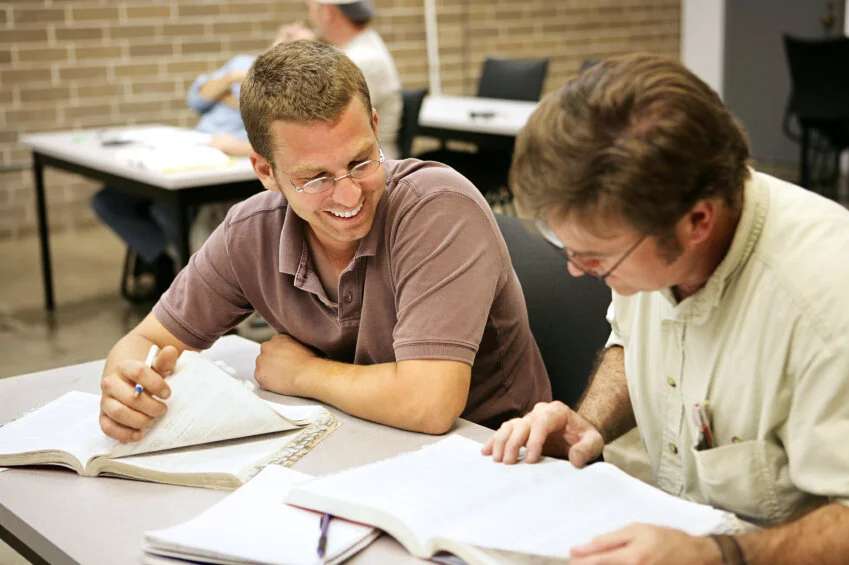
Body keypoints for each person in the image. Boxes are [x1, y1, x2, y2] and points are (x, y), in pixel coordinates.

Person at [483, 53, 849, 564]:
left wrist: (718, 555)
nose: (574, 270)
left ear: (697, 220)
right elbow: (631, 344)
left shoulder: (827, 308)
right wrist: (589, 425)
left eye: (597, 256)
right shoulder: (649, 235)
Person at [97, 40, 551, 443]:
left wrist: (302, 374)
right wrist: (126, 385)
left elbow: (428, 404)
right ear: (265, 171)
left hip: (493, 458)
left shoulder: (437, 209)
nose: (349, 195)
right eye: (315, 178)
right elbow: (147, 340)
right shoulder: (250, 232)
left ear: (374, 126)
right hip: (358, 444)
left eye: (360, 161)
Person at [90, 26, 309, 297]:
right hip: (191, 147)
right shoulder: (242, 63)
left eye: (295, 39)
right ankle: (166, 262)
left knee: (164, 208)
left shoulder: (292, 87)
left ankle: (193, 285)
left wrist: (231, 113)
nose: (285, 39)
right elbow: (197, 98)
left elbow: (287, 140)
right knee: (107, 200)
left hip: (223, 160)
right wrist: (232, 78)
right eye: (285, 33)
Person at [281, 0, 402, 158]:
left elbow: (312, 124)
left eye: (311, 9)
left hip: (368, 166)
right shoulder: (364, 43)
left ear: (328, 12)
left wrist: (287, 52)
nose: (309, 18)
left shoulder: (363, 61)